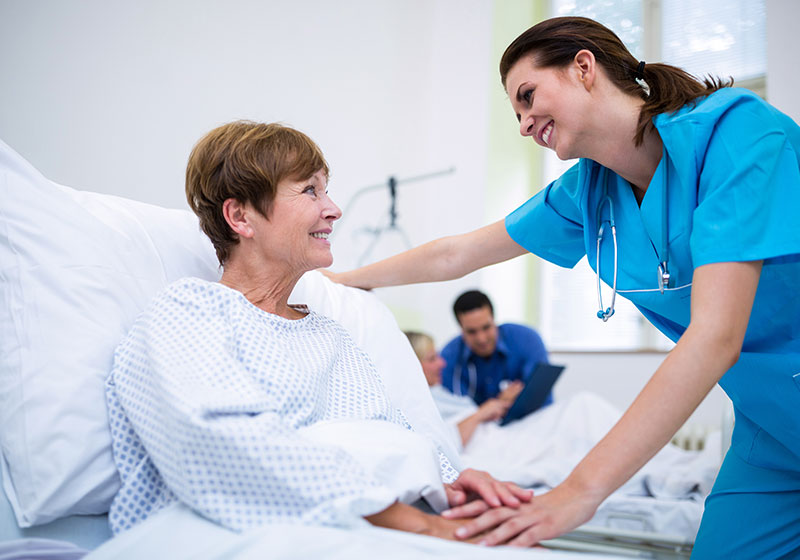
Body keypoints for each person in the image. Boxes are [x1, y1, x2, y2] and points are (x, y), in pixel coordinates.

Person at [326, 16, 800, 557]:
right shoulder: (589, 194)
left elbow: (716, 335)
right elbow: (458, 253)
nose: (525, 124)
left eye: (528, 97)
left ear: (582, 67)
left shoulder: (736, 136)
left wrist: (578, 492)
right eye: (517, 114)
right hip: (772, 434)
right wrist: (338, 283)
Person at [104, 121, 530, 541]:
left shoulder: (330, 334)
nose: (334, 208)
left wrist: (450, 484)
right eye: (310, 190)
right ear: (240, 216)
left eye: (325, 188)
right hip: (255, 533)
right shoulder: (188, 312)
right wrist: (418, 524)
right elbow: (223, 449)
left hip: (376, 521)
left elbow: (393, 430)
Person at [405, 330, 519, 448]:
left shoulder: (436, 391)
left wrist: (499, 403)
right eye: (432, 359)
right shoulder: (416, 405)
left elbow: (465, 414)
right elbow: (445, 444)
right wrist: (481, 413)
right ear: (411, 364)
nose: (442, 363)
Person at [439, 290, 549, 406]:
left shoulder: (527, 339)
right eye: (471, 332)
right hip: (480, 424)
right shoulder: (448, 358)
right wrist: (500, 403)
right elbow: (457, 413)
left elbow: (540, 398)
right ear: (461, 329)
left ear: (494, 320)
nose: (481, 339)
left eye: (486, 327)